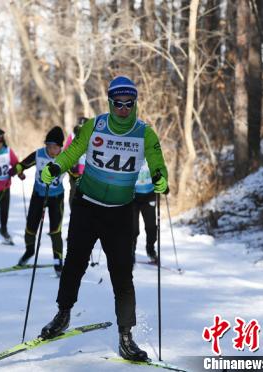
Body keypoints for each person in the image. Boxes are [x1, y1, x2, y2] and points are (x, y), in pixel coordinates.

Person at [37, 76, 169, 362]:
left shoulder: (144, 133)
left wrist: (160, 178)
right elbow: (73, 152)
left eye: (128, 103)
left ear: (135, 103)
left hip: (121, 213)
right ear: (110, 102)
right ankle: (63, 314)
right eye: (118, 103)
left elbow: (158, 164)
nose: (123, 108)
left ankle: (126, 335)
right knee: (74, 263)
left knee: (122, 274)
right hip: (87, 206)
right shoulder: (94, 125)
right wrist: (56, 167)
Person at [9, 127, 66, 276]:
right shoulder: (39, 154)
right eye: (48, 146)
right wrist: (15, 170)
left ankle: (58, 260)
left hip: (56, 197)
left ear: (60, 147)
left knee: (55, 231)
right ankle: (29, 251)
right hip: (39, 195)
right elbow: (24, 164)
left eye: (54, 147)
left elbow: (76, 174)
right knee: (30, 227)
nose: (51, 150)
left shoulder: (66, 158)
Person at [132, 161, 158, 264]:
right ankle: (131, 252)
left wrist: (161, 181)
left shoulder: (152, 153)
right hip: (132, 195)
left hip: (149, 194)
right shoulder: (133, 150)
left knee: (151, 227)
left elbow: (160, 168)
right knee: (133, 228)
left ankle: (151, 251)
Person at [64, 117, 88, 209]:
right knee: (74, 192)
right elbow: (66, 151)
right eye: (80, 126)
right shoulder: (72, 136)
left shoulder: (93, 136)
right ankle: (73, 212)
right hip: (75, 170)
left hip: (87, 172)